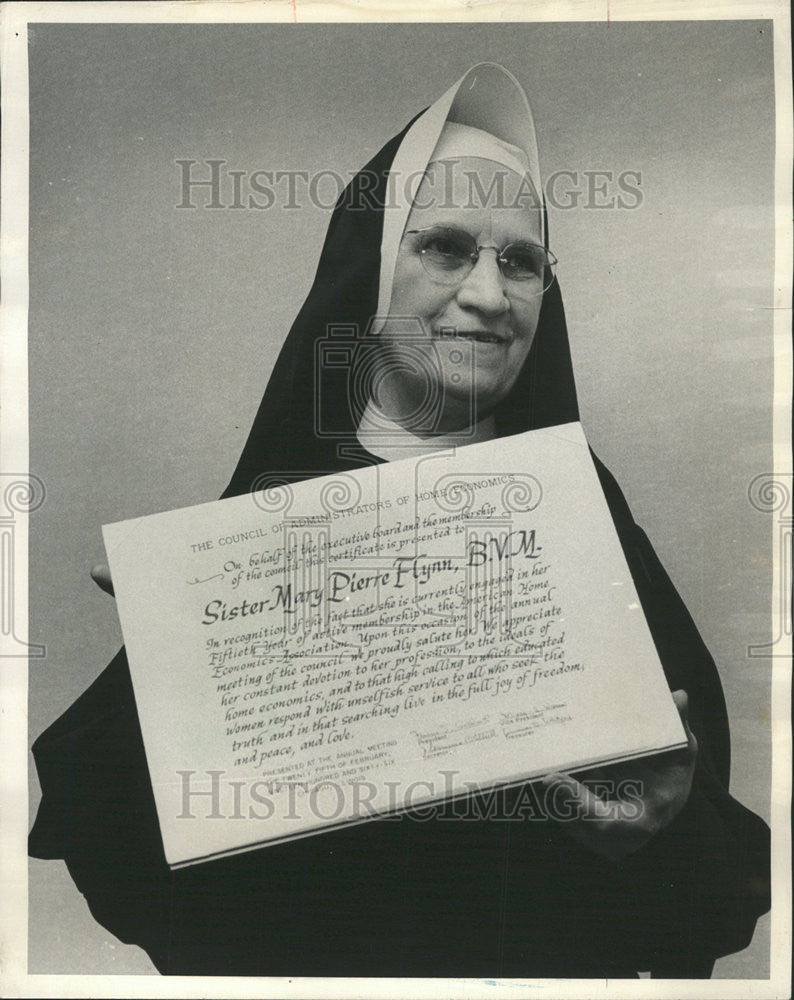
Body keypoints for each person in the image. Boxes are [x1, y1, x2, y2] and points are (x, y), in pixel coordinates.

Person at [30, 62, 770, 978]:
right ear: (371, 269)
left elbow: (717, 897)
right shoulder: (265, 526)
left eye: (522, 261)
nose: (492, 298)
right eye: (448, 248)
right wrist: (186, 647)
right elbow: (113, 840)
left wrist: (657, 838)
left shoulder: (591, 525)